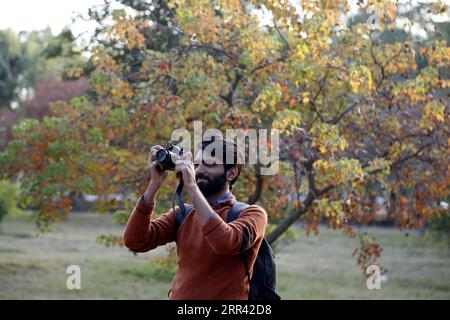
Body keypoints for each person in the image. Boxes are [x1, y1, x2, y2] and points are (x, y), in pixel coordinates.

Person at [123, 138, 268, 299]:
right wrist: (154, 185)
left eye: (209, 164)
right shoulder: (183, 214)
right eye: (197, 164)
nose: (199, 170)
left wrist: (191, 186)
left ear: (231, 173)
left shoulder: (253, 214)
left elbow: (225, 242)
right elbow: (135, 241)